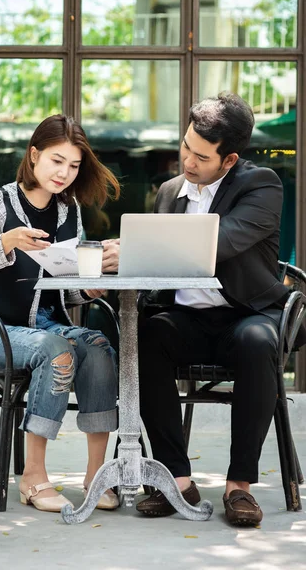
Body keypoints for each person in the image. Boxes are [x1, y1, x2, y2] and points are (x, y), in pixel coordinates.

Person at [109, 92, 305, 526]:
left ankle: (240, 487)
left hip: (247, 314)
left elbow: (219, 243)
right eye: (185, 147)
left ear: (230, 159)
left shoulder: (262, 185)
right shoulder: (168, 192)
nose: (188, 161)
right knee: (148, 336)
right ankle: (175, 481)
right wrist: (120, 259)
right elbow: (158, 266)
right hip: (190, 320)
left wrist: (134, 247)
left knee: (259, 342)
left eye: (201, 156)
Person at [0, 114, 121, 513]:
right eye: (56, 161)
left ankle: (95, 474)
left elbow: (66, 285)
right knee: (55, 348)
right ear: (34, 156)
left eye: (74, 165)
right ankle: (33, 477)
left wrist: (89, 285)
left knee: (98, 344)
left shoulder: (69, 212)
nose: (65, 173)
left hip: (44, 325)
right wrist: (7, 242)